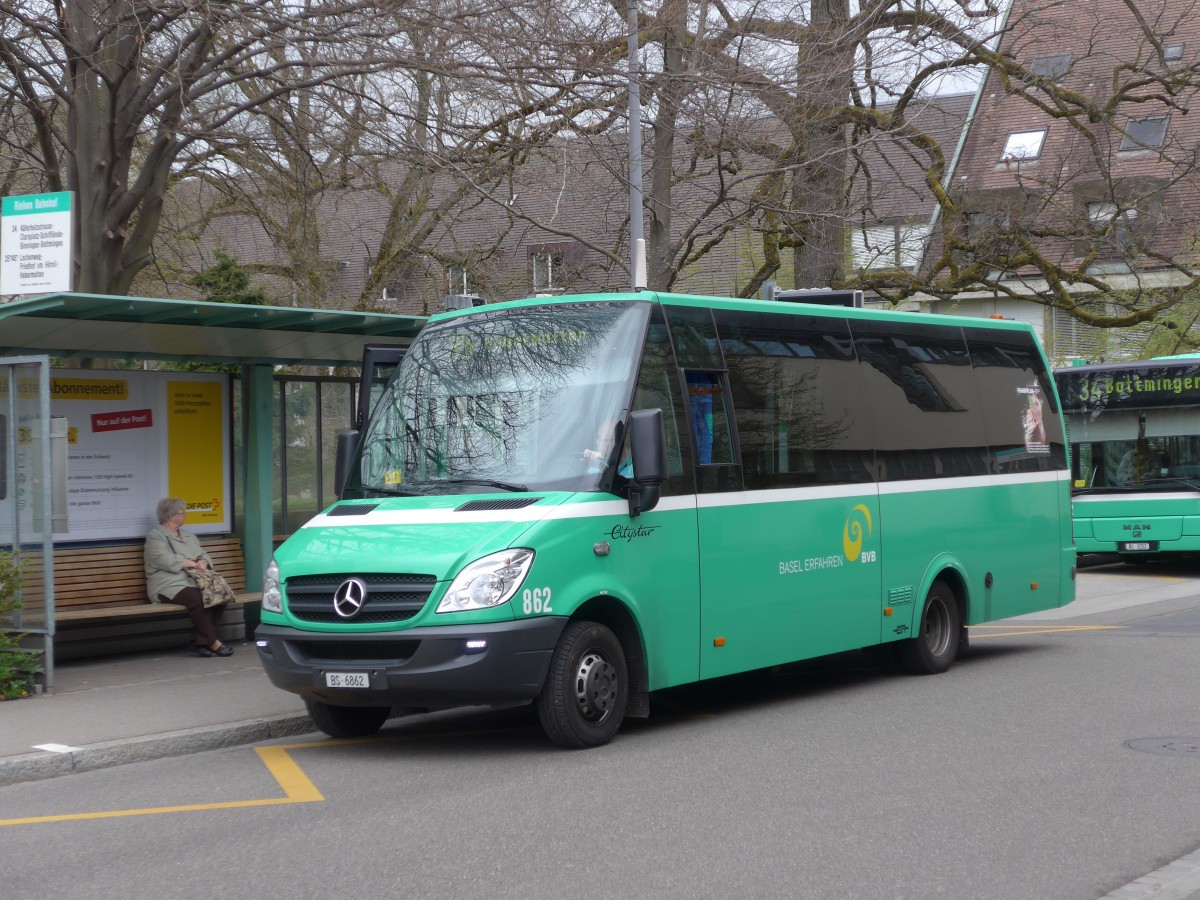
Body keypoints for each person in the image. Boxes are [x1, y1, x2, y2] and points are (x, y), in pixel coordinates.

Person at [144, 497, 234, 658]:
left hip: (193, 580)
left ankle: (199, 642)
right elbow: (162, 559)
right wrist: (190, 563)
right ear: (172, 516)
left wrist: (203, 562)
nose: (185, 516)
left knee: (219, 596)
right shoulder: (155, 536)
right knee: (198, 599)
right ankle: (213, 642)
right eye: (182, 513)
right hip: (166, 584)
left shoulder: (188, 536)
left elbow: (203, 553)